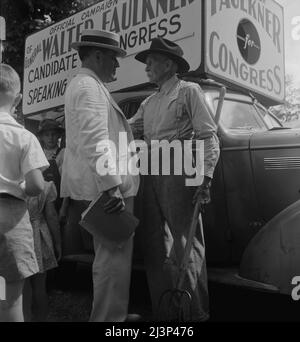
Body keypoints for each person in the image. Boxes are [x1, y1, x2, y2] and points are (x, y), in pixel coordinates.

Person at [129, 37, 220, 322]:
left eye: (152, 61)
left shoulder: (189, 91)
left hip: (180, 168)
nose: (147, 67)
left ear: (169, 64)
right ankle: (165, 312)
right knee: (154, 244)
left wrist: (205, 176)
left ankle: (194, 314)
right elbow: (128, 129)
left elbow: (208, 135)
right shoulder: (149, 101)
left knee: (186, 242)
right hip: (149, 170)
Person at [61, 29, 139, 322]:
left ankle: (113, 313)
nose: (117, 65)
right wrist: (112, 187)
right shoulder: (89, 87)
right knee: (113, 260)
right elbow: (96, 140)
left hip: (102, 187)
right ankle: (109, 320)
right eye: (114, 58)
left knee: (113, 258)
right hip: (105, 189)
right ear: (96, 55)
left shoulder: (86, 85)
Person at [0, 63, 49, 322]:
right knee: (10, 302)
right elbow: (37, 186)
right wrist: (20, 187)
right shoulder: (24, 137)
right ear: (17, 99)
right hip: (11, 219)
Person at [24, 180, 61, 322]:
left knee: (22, 285)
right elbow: (51, 216)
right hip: (39, 237)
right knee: (40, 286)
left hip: (19, 233)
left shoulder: (10, 184)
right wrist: (58, 242)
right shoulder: (45, 186)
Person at [37, 119, 65, 213]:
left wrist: (64, 208)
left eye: (53, 134)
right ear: (41, 137)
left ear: (58, 135)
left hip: (60, 200)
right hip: (42, 203)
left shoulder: (63, 153)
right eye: (47, 135)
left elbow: (67, 182)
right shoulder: (37, 154)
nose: (51, 137)